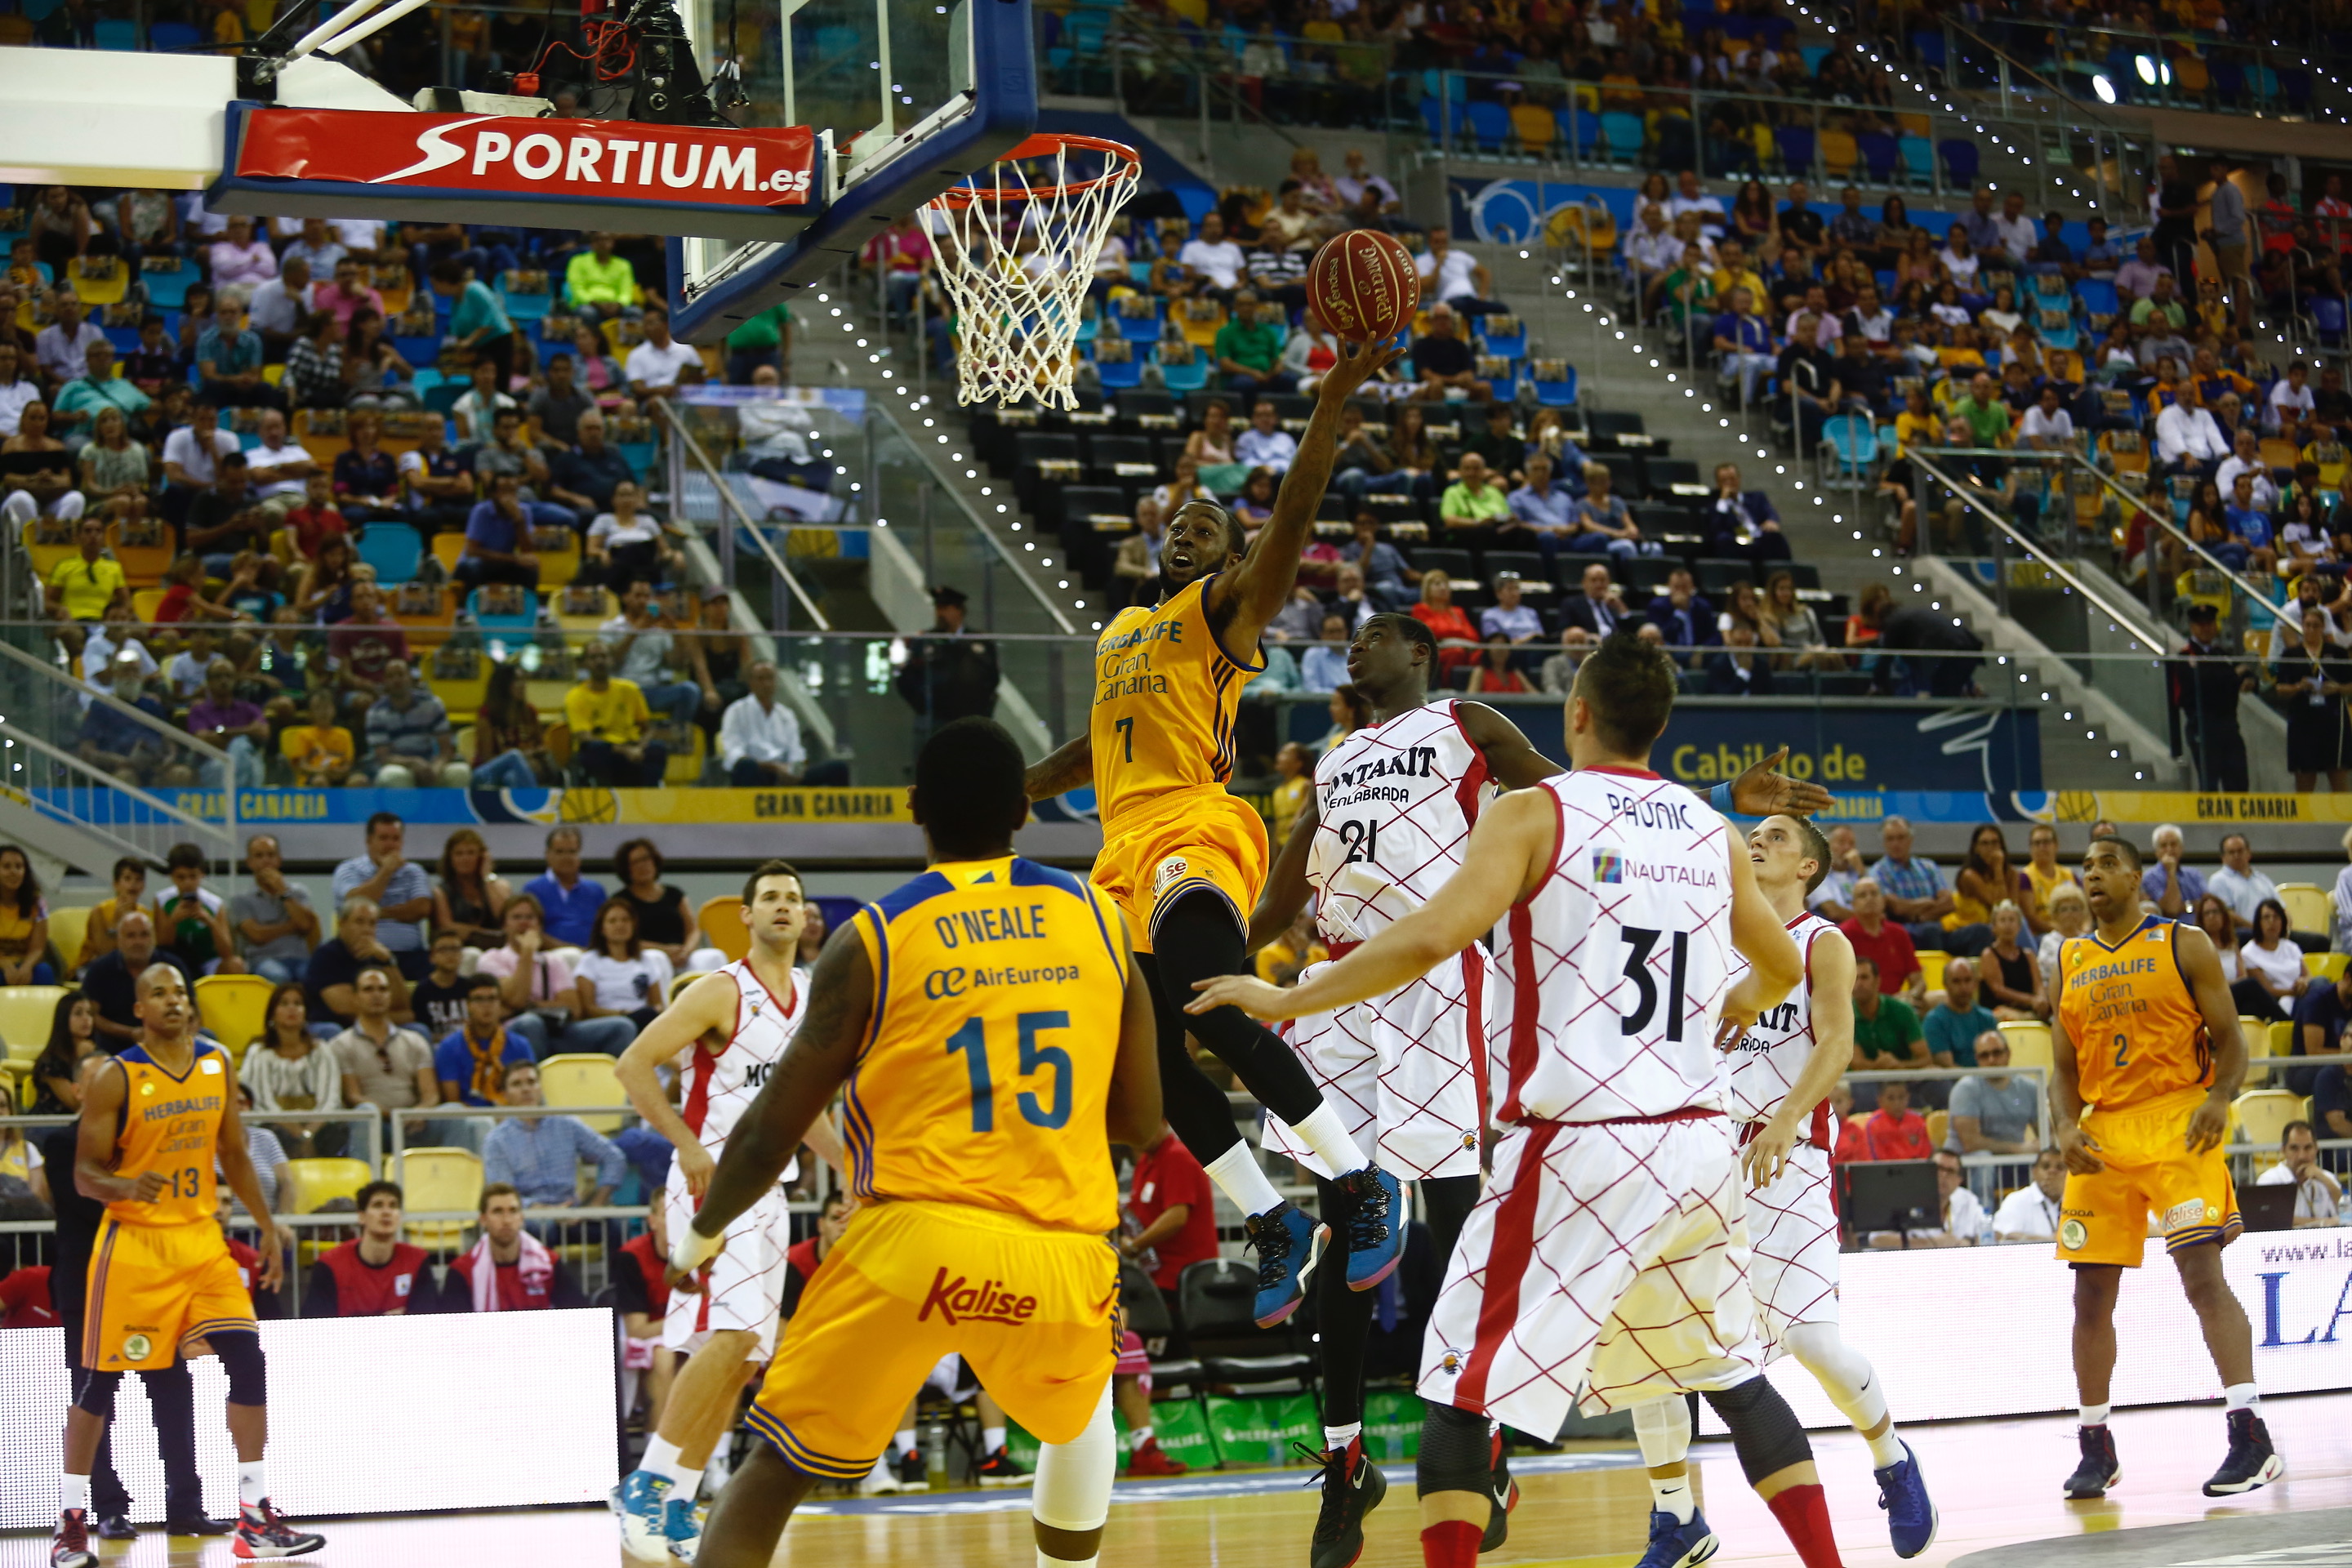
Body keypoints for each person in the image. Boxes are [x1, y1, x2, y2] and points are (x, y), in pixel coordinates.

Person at [1190, 630, 1850, 1568]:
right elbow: (1781, 965)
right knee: (1733, 1378)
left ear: (1576, 713)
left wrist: (1287, 996)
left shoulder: (1535, 813)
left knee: (1456, 1385)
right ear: (1658, 728)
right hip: (1701, 1147)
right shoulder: (1707, 830)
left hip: (1586, 1138)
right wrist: (1727, 1013)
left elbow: (1427, 939)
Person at [668, 719, 1160, 1568]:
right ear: (1024, 811)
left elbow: (770, 1126)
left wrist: (704, 1229)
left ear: (913, 811)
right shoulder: (1102, 918)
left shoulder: (875, 936)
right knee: (1081, 1425)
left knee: (772, 1474)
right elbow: (1145, 1123)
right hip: (1062, 1249)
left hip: (913, 1242)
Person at [1017, 336, 1408, 1330]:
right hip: (1119, 849)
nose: (1185, 532)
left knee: (1204, 997)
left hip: (1198, 823)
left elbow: (1292, 517)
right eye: (1177, 524)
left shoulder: (1220, 614)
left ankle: (1361, 1183)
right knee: (1136, 1048)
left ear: (1234, 563)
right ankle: (1271, 1215)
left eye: (1207, 527)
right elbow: (1095, 745)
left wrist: (1329, 404)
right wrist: (1025, 784)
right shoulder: (1120, 635)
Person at [1624, 810, 1933, 1561]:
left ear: (1808, 869)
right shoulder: (1704, 935)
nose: (1758, 839)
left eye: (1779, 837)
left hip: (1783, 1160)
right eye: (1751, 832)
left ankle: (1893, 1457)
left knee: (1811, 1341)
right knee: (1648, 1344)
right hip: (1696, 1162)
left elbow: (1838, 1043)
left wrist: (1790, 1116)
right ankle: (1676, 1515)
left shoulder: (1823, 941)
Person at [51, 964, 323, 1566]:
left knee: (247, 1359)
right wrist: (123, 1183)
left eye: (180, 992)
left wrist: (268, 1224)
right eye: (159, 994)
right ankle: (71, 1522)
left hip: (202, 1241)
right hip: (135, 1249)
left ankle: (254, 1517)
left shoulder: (216, 1063)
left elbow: (233, 1150)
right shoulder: (116, 1078)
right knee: (98, 1385)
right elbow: (84, 1174)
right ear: (139, 1010)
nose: (173, 1001)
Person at [609, 860, 844, 1557]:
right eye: (768, 897)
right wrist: (683, 1143)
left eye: (792, 899)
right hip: (715, 1187)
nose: (782, 907)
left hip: (771, 1193)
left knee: (741, 1360)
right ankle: (645, 1486)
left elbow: (808, 1112)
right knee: (733, 1340)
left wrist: (855, 1174)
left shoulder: (811, 995)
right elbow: (632, 1064)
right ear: (745, 915)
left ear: (806, 919)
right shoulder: (719, 990)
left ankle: (679, 1501)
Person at [2052, 835, 2277, 1499]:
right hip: (2105, 1132)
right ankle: (2096, 1445)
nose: (2091, 876)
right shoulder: (2069, 957)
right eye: (2084, 869)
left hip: (2180, 1118)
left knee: (2201, 1274)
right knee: (2089, 1293)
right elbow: (2063, 1067)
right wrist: (2065, 1124)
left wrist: (2219, 1097)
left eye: (2103, 866)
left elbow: (2232, 1039)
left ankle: (2251, 1435)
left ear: (2134, 875)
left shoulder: (2185, 943)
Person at [36, 1050, 220, 1544]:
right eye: (97, 1082)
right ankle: (107, 1509)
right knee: (95, 1400)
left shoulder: (145, 1140)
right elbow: (87, 1201)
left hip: (153, 1284)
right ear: (79, 1091)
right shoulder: (62, 1142)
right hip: (92, 1286)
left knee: (175, 1396)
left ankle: (187, 1506)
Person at [474, 894, 636, 1056]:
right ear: (504, 925)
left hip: (557, 1029)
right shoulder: (492, 959)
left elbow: (573, 1008)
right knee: (531, 1023)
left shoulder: (554, 961)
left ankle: (613, 1081)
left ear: (539, 925)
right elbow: (518, 998)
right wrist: (527, 952)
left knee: (622, 1027)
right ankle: (532, 1080)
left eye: (530, 917)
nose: (524, 922)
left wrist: (530, 1006)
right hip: (515, 1032)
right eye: (517, 917)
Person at [482, 1058, 625, 1208]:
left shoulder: (566, 1124)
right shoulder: (497, 1140)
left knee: (611, 1225)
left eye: (531, 1082)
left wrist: (598, 1201)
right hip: (527, 1215)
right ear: (505, 1095)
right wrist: (541, 1209)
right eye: (517, 1084)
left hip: (572, 1209)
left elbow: (614, 1157)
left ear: (540, 1088)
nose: (526, 1089)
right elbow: (502, 1193)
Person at [440, 1183, 589, 1312]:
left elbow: (580, 1316)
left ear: (521, 1218)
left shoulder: (549, 1264)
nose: (507, 1220)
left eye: (513, 1211)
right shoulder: (462, 1271)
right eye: (498, 1211)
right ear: (483, 1220)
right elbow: (454, 1332)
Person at [238, 982, 345, 1156]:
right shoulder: (259, 1053)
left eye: (298, 1004)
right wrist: (296, 1132)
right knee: (271, 1134)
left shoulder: (322, 1051)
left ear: (306, 1013)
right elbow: (261, 1101)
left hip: (319, 1128)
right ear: (272, 1013)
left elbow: (330, 1100)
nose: (292, 1009)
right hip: (276, 1125)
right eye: (284, 1003)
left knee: (337, 1131)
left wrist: (309, 1133)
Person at [301, 1180, 434, 1316]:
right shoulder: (330, 1263)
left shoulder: (417, 1259)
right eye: (378, 1205)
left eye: (393, 1206)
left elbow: (429, 1318)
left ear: (400, 1217)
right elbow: (314, 1321)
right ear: (362, 1216)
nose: (386, 1212)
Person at [327, 967, 438, 1128]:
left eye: (383, 989)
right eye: (368, 989)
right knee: (365, 1111)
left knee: (454, 1111)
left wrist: (415, 1114)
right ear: (355, 997)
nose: (376, 995)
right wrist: (393, 1116)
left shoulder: (415, 1041)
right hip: (374, 1124)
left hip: (415, 1122)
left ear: (390, 996)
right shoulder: (341, 1044)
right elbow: (353, 1096)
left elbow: (431, 1095)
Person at [330, 811, 433, 980]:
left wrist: (377, 912)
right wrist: (386, 871)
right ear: (369, 841)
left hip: (410, 955)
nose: (390, 845)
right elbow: (358, 903)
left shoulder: (414, 871)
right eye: (383, 838)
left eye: (395, 839)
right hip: (360, 953)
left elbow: (421, 909)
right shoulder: (349, 869)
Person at [895, 584, 1001, 729]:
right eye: (938, 608)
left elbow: (992, 678)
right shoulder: (925, 640)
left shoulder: (980, 641)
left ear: (958, 611)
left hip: (971, 720)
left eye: (945, 609)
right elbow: (908, 678)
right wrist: (921, 704)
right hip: (934, 719)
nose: (940, 614)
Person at [79, 911, 194, 1045]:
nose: (138, 942)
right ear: (119, 940)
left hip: (170, 1036)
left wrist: (188, 1036)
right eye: (131, 936)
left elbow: (193, 1010)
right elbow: (91, 1015)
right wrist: (131, 1033)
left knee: (208, 1037)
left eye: (144, 935)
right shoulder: (100, 969)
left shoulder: (173, 966)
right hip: (116, 1041)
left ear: (154, 938)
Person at [565, 639, 669, 787]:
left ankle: (649, 797)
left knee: (657, 749)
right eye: (593, 657)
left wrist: (639, 748)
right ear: (584, 663)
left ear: (612, 660)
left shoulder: (630, 689)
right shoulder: (575, 696)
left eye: (604, 656)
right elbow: (585, 737)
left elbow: (647, 727)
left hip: (631, 744)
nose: (600, 661)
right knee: (595, 750)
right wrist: (625, 751)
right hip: (604, 748)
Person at [301, 896, 411, 1030]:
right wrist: (396, 1016)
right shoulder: (326, 956)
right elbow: (345, 1009)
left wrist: (388, 961)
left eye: (372, 923)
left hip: (378, 1026)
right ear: (342, 924)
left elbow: (404, 1005)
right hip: (333, 1025)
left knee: (417, 1028)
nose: (367, 930)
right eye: (359, 922)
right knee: (330, 1030)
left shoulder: (380, 956)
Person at [573, 899, 672, 1034]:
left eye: (625, 920)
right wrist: (624, 1014)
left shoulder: (647, 960)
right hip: (609, 1022)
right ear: (602, 929)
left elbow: (657, 1004)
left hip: (644, 1018)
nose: (620, 925)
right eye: (612, 921)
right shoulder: (589, 961)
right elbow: (588, 1008)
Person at [1949, 1031, 2041, 1155]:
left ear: (2008, 1053)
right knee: (1982, 1156)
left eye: (1997, 1053)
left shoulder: (2029, 1087)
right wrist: (2018, 1149)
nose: (1991, 1060)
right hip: (1970, 1165)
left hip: (2015, 1162)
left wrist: (2040, 1146)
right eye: (1984, 1055)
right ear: (1977, 1059)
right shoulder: (1966, 1088)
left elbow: (2047, 1133)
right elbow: (1971, 1143)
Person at [522, 826, 606, 951]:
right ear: (547, 855)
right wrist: (572, 951)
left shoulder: (596, 891)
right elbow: (531, 931)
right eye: (560, 852)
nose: (566, 857)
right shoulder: (533, 890)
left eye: (572, 852)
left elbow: (608, 928)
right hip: (549, 958)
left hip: (593, 958)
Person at [2252, 1120, 2343, 1227]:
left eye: (2308, 1148)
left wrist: (2322, 1178)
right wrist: (2323, 1222)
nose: (2302, 1156)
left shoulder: (2327, 1178)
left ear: (2316, 1149)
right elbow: (2274, 1219)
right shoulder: (2270, 1180)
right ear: (2283, 1150)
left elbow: (2345, 1212)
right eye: (2294, 1148)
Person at [1993, 1148, 2069, 1242]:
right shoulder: (2016, 1200)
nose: (2052, 1172)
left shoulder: (2074, 1201)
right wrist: (2050, 1240)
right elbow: (2005, 1236)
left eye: (2060, 1168)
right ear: (2034, 1172)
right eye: (2046, 1167)